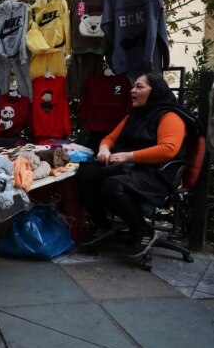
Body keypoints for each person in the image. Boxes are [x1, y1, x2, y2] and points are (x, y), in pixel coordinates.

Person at [76, 73, 200, 258]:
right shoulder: (134, 116)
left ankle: (144, 231)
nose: (133, 90)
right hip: (131, 168)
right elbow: (109, 138)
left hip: (156, 173)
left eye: (139, 87)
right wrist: (104, 150)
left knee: (113, 185)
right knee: (85, 173)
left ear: (155, 91)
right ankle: (103, 225)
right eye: (134, 87)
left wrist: (128, 156)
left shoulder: (170, 116)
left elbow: (168, 150)